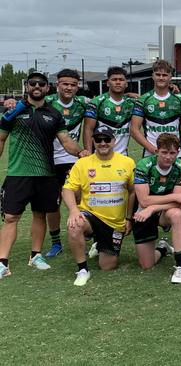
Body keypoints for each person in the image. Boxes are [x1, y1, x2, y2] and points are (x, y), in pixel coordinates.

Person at [0, 72, 88, 279]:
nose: (37, 86)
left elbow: (66, 141)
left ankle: (36, 255)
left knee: (40, 214)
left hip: (45, 173)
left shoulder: (54, 114)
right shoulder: (14, 111)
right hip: (18, 173)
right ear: (27, 86)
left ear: (47, 88)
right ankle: (3, 262)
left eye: (41, 83)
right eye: (33, 83)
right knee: (11, 217)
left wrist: (81, 152)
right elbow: (2, 138)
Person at [131, 59, 181, 252]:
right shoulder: (144, 100)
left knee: (178, 196)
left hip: (176, 155)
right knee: (150, 193)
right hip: (152, 154)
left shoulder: (179, 99)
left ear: (170, 77)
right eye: (158, 74)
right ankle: (152, 232)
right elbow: (135, 129)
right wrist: (153, 149)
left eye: (165, 74)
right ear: (153, 76)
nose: (161, 78)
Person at [61, 125, 135, 286]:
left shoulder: (127, 163)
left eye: (106, 139)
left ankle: (99, 243)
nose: (103, 143)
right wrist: (74, 210)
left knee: (108, 266)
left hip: (115, 222)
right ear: (93, 141)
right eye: (98, 139)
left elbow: (133, 192)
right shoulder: (82, 164)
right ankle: (82, 269)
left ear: (114, 141)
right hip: (90, 215)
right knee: (75, 225)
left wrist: (129, 218)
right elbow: (67, 189)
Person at [132, 133, 181, 284]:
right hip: (142, 213)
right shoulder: (143, 165)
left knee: (177, 214)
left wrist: (152, 208)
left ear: (177, 153)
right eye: (164, 152)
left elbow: (178, 203)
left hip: (163, 212)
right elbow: (144, 200)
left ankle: (180, 266)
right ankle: (163, 249)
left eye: (172, 153)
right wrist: (172, 197)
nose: (168, 157)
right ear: (156, 151)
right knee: (147, 265)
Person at [45, 69, 90, 257]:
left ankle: (86, 234)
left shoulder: (83, 103)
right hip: (48, 161)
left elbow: (111, 96)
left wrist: (132, 94)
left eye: (73, 84)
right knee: (51, 205)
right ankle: (56, 243)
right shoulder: (46, 103)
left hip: (73, 161)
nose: (69, 88)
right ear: (57, 84)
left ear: (78, 86)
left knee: (80, 199)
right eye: (65, 84)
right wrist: (11, 102)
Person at [83, 66, 137, 155]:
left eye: (121, 80)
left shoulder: (131, 103)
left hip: (122, 157)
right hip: (100, 156)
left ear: (126, 84)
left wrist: (138, 96)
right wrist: (88, 153)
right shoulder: (97, 102)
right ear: (108, 83)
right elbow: (88, 129)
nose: (118, 82)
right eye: (114, 79)